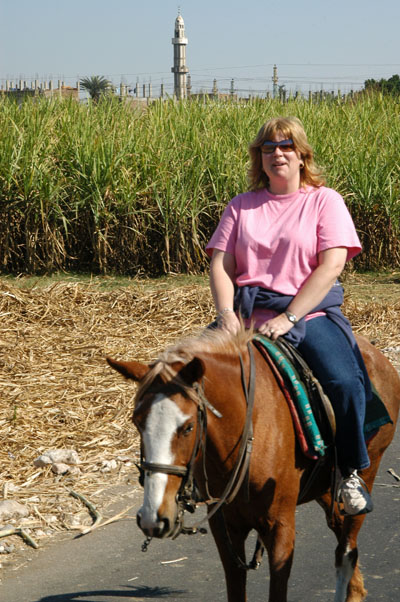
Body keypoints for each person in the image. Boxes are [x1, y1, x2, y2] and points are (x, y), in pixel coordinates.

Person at [206, 116, 373, 516]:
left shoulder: (324, 200)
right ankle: (190, 476)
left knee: (345, 381)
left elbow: (331, 266)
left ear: (302, 156)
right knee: (183, 379)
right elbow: (220, 265)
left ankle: (349, 471)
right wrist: (226, 314)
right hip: (245, 314)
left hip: (308, 314)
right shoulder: (241, 206)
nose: (277, 154)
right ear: (258, 158)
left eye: (285, 146)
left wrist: (291, 318)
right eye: (268, 148)